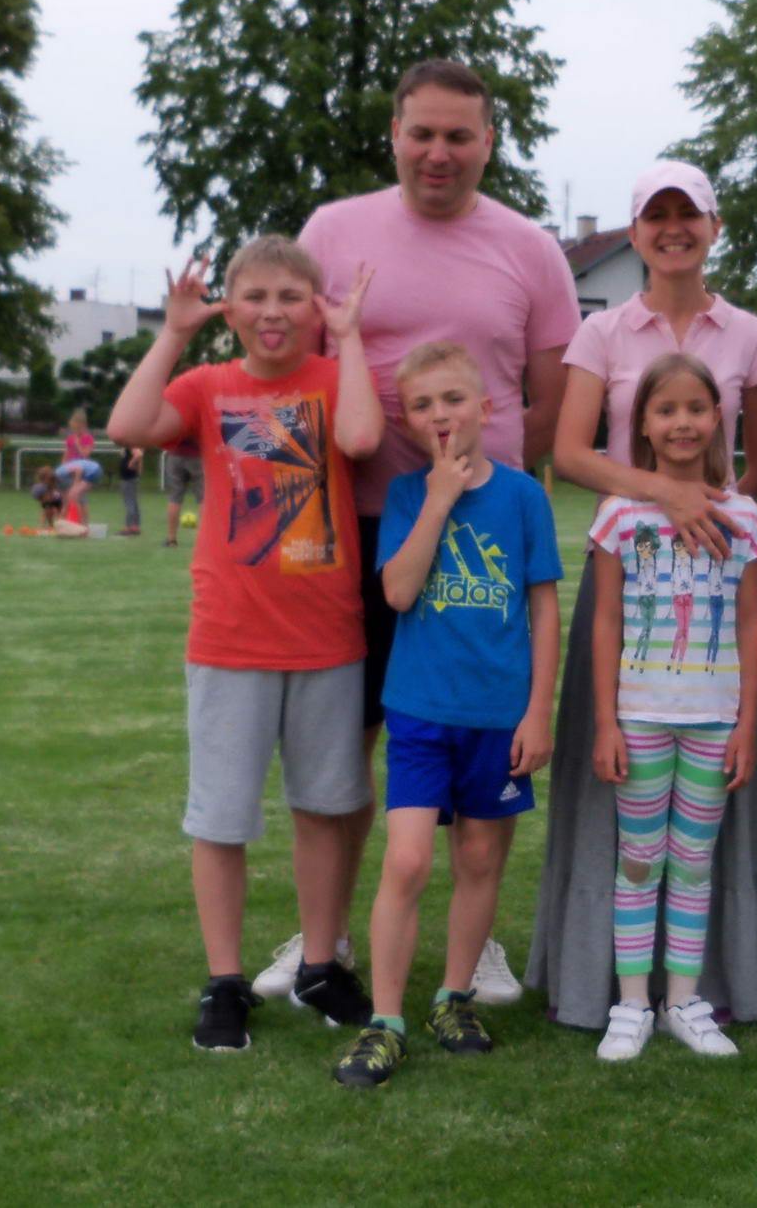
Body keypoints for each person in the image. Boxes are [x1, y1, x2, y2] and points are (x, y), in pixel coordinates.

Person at [264, 57, 578, 1006]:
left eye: (459, 136)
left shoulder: (530, 248)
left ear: (489, 142)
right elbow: (294, 370)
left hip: (485, 537)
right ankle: (324, 934)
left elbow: (549, 393)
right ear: (395, 134)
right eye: (423, 133)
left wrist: (494, 485)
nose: (439, 152)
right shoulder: (334, 230)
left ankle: (473, 948)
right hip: (356, 532)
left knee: (485, 731)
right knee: (346, 744)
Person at [105, 237, 382, 1052]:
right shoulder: (206, 386)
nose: (272, 312)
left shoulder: (333, 378)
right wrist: (173, 332)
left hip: (327, 639)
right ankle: (225, 980)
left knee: (325, 809)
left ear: (316, 306)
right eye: (255, 296)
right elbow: (128, 425)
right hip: (230, 639)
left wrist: (350, 338)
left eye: (291, 296)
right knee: (221, 818)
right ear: (230, 308)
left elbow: (362, 439)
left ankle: (321, 964)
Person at [530, 160, 757, 1030]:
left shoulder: (750, 333)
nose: (674, 228)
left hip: (712, 608)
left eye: (690, 214)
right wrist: (665, 497)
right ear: (635, 233)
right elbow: (571, 453)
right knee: (623, 811)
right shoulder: (602, 330)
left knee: (702, 830)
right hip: (628, 589)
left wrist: (712, 520)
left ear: (714, 226)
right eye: (656, 216)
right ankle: (611, 990)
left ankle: (698, 991)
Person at [332, 342, 562, 1089]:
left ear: (486, 408)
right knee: (407, 860)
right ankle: (385, 1021)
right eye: (422, 405)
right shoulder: (407, 495)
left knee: (479, 858)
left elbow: (544, 608)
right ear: (407, 420)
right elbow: (399, 592)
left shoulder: (523, 496)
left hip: (498, 714)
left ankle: (453, 998)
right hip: (421, 711)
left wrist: (539, 710)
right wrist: (438, 499)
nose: (440, 415)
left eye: (453, 399)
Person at [586, 354, 757, 1061]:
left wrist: (746, 723)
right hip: (639, 717)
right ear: (642, 423)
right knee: (639, 861)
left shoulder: (743, 515)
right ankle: (632, 1003)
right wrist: (606, 722)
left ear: (719, 417)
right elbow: (606, 620)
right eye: (666, 410)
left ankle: (683, 1001)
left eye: (696, 408)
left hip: (713, 720)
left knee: (693, 862)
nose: (682, 423)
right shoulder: (619, 514)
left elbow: (750, 621)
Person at [55, 410, 103, 527]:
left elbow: (86, 455)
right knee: (68, 496)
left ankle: (84, 523)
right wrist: (63, 467)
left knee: (81, 498)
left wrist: (78, 444)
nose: (75, 431)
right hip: (70, 471)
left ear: (83, 426)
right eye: (73, 428)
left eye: (77, 428)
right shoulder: (70, 438)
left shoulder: (88, 438)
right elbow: (66, 455)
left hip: (83, 471)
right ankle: (66, 521)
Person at [161, 440, 203, 547]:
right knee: (203, 498)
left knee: (174, 498)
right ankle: (205, 540)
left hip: (175, 455)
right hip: (198, 455)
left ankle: (171, 540)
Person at [118, 445, 145, 536]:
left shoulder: (131, 443)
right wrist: (138, 472)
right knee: (134, 502)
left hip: (128, 478)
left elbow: (139, 454)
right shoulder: (133, 443)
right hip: (131, 477)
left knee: (129, 503)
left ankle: (129, 527)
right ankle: (135, 526)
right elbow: (140, 456)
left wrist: (131, 464)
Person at [29, 464, 64, 529]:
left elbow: (59, 495)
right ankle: (46, 525)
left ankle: (57, 525)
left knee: (56, 510)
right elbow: (43, 500)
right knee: (46, 510)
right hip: (48, 497)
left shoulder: (55, 481)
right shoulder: (40, 488)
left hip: (57, 497)